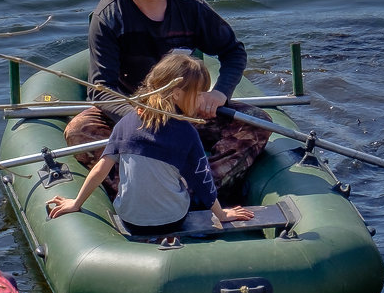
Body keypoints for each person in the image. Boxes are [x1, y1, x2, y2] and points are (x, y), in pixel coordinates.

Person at [63, 0, 270, 199]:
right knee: (80, 131)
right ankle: (135, 189)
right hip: (134, 113)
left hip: (186, 109)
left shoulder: (190, 7)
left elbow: (233, 52)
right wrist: (140, 120)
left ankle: (201, 188)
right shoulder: (110, 16)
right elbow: (101, 88)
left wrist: (219, 94)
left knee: (256, 123)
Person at [48, 52, 255, 235]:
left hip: (131, 221)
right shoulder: (187, 132)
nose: (202, 100)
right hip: (172, 220)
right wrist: (221, 213)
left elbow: (101, 170)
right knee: (184, 178)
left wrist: (75, 203)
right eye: (198, 94)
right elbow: (202, 179)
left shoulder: (126, 122)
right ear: (176, 93)